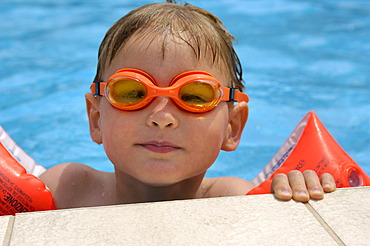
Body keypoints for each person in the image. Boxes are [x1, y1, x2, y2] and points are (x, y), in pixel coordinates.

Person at [39, 1, 336, 209]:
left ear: (232, 127)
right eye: (131, 92)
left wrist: (297, 193)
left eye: (194, 96)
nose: (162, 117)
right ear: (96, 119)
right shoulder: (66, 188)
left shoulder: (237, 201)